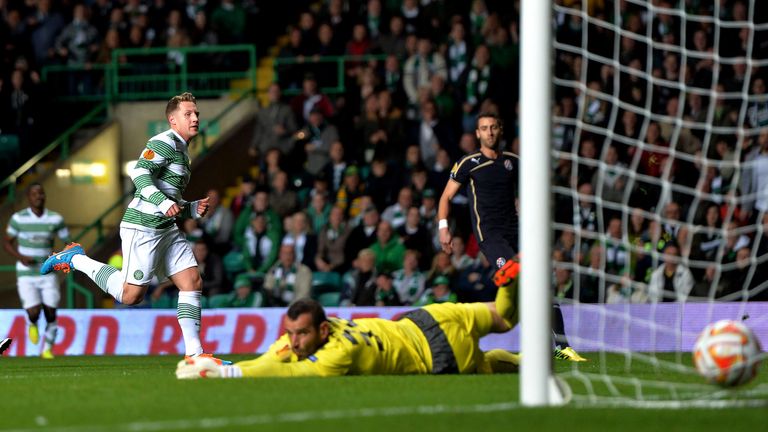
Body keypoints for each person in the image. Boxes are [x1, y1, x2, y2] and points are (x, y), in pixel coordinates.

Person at [41, 92, 228, 364]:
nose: (195, 118)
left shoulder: (183, 150)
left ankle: (195, 355)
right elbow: (139, 174)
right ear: (172, 120)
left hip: (166, 228)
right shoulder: (163, 142)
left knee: (192, 281)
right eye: (188, 114)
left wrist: (190, 207)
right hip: (143, 227)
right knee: (131, 296)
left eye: (196, 113)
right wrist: (163, 202)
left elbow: (169, 197)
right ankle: (76, 258)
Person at [176, 259, 522, 378]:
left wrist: (224, 374)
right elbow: (270, 360)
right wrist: (222, 367)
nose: (293, 342)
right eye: (290, 333)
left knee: (487, 364)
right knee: (504, 317)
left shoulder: (335, 356)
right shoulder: (318, 330)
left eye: (300, 335)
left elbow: (285, 371)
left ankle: (527, 361)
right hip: (426, 317)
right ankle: (509, 280)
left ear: (323, 330)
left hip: (437, 353)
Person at [437, 112, 586, 362]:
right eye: (484, 128)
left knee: (542, 284)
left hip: (517, 232)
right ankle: (529, 341)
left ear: (500, 130)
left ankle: (562, 347)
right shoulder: (468, 163)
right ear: (477, 134)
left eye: (493, 127)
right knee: (514, 275)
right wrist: (443, 227)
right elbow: (445, 197)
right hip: (490, 235)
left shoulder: (514, 162)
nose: (490, 132)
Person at [3, 183, 70, 359]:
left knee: (51, 312)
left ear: (45, 196)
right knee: (34, 312)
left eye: (41, 193)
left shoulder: (55, 219)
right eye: (34, 194)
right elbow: (6, 242)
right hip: (25, 272)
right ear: (28, 197)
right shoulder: (18, 218)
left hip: (47, 272)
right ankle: (31, 322)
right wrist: (20, 257)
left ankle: (47, 349)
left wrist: (62, 258)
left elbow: (68, 243)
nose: (38, 196)